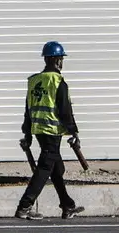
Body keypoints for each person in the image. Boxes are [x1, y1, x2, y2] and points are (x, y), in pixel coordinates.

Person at [15, 41, 85, 220]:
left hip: (38, 130)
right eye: (61, 58)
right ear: (56, 60)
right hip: (52, 131)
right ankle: (25, 206)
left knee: (56, 168)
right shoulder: (58, 81)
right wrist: (74, 132)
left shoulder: (34, 80)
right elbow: (64, 110)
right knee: (45, 168)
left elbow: (28, 109)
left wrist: (27, 133)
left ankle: (67, 205)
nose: (62, 62)